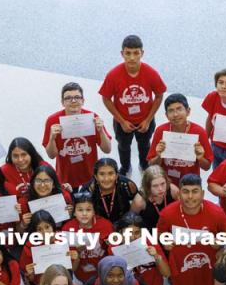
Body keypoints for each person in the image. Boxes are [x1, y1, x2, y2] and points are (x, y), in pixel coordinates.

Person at [157, 174, 226, 285]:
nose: (190, 196)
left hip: (207, 262)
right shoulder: (168, 213)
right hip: (181, 262)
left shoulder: (216, 212)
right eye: (185, 191)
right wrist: (165, 242)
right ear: (179, 194)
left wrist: (221, 244)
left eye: (195, 191)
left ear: (202, 194)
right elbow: (160, 234)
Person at [99, 34, 166, 174]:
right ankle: (125, 166)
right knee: (123, 146)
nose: (132, 57)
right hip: (122, 120)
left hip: (145, 120)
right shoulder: (113, 75)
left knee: (144, 145)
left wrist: (148, 120)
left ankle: (144, 165)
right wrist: (121, 121)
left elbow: (159, 95)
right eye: (128, 53)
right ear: (122, 53)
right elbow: (106, 98)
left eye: (136, 53)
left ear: (142, 53)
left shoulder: (151, 73)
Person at [43, 82, 112, 191]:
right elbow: (51, 155)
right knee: (71, 206)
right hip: (66, 178)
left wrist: (101, 131)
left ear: (83, 101)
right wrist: (52, 138)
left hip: (90, 175)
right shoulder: (52, 121)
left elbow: (107, 149)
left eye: (77, 97)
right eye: (68, 98)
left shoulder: (93, 118)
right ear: (62, 102)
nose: (73, 101)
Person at [113, 212, 170, 285]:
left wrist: (156, 256)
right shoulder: (114, 248)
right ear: (120, 233)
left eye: (137, 233)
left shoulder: (151, 244)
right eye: (128, 233)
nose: (133, 237)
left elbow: (167, 273)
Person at [147, 93, 213, 186]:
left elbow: (207, 167)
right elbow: (151, 165)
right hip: (167, 183)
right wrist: (159, 156)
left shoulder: (199, 132)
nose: (175, 114)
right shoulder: (160, 131)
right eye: (171, 111)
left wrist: (200, 158)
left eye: (179, 109)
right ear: (166, 115)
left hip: (190, 184)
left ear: (188, 111)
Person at [62, 192, 114, 284]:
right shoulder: (67, 229)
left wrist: (110, 244)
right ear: (74, 212)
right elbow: (66, 259)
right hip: (79, 275)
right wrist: (77, 251)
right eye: (80, 210)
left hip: (103, 273)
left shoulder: (106, 226)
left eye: (88, 210)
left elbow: (113, 252)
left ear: (94, 211)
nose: (84, 214)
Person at [80, 158, 143, 223]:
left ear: (116, 175)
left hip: (123, 224)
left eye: (110, 173)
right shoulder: (87, 191)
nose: (106, 178)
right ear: (96, 176)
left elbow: (138, 202)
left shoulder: (128, 185)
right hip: (97, 224)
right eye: (102, 174)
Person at [18, 164, 73, 230]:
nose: (42, 185)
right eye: (38, 181)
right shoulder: (24, 202)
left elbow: (73, 225)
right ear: (33, 183)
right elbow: (19, 232)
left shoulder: (64, 197)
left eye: (47, 181)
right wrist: (23, 224)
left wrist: (71, 215)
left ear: (53, 184)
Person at [136, 165, 179, 231]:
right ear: (147, 186)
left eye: (162, 183)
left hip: (170, 229)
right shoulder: (139, 201)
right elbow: (131, 222)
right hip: (150, 233)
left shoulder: (173, 190)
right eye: (155, 186)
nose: (160, 189)